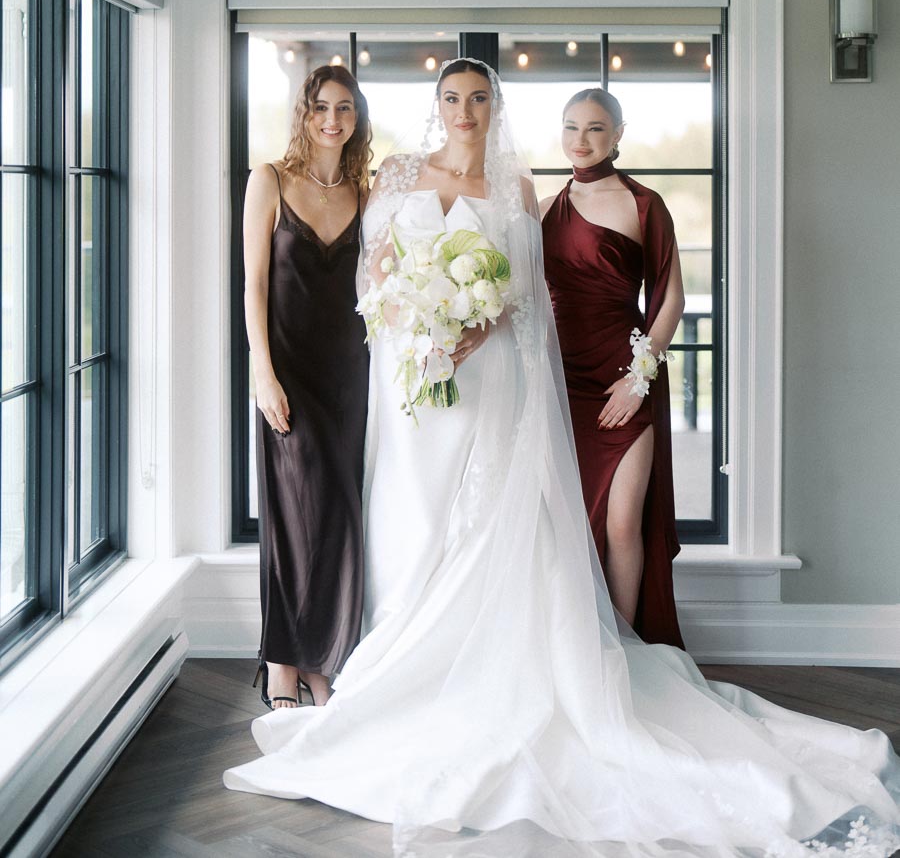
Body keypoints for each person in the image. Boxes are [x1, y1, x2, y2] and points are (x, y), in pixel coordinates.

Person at [226, 59, 900, 858]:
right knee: (400, 525)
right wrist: (411, 314)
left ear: (495, 108)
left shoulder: (517, 189)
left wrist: (475, 326)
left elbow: (522, 298)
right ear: (434, 105)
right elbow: (371, 275)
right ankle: (369, 658)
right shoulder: (398, 172)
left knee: (476, 536)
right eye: (452, 98)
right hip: (408, 397)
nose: (464, 111)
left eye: (479, 99)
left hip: (482, 391)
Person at [242, 63, 371, 710]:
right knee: (294, 515)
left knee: (339, 518)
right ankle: (283, 663)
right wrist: (261, 373)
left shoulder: (366, 192)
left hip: (351, 375)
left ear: (357, 117)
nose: (332, 119)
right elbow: (254, 286)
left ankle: (318, 659)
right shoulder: (268, 180)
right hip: (287, 371)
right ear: (304, 111)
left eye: (345, 108)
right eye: (322, 106)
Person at [541, 87, 684, 647]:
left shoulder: (645, 203)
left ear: (619, 135)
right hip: (562, 380)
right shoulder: (547, 207)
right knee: (569, 527)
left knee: (624, 522)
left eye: (595, 128)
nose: (581, 140)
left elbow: (670, 299)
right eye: (571, 127)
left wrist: (638, 377)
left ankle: (628, 650)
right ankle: (582, 645)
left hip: (626, 376)